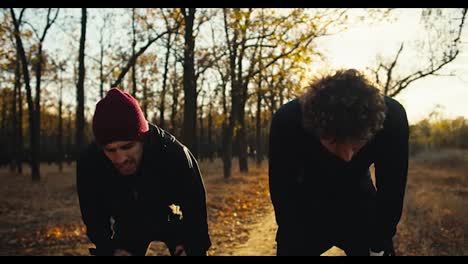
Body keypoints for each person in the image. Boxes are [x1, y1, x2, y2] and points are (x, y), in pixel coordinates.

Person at [268, 69, 409, 256]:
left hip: (360, 200)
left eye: (356, 146)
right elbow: (282, 190)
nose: (347, 156)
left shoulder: (392, 120)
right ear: (315, 131)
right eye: (335, 144)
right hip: (305, 202)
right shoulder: (288, 121)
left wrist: (379, 242)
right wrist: (292, 235)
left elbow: (392, 189)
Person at [76, 87, 211, 256]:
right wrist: (109, 249)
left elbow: (194, 205)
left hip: (171, 216)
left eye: (127, 147)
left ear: (143, 139)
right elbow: (93, 215)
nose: (120, 158)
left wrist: (193, 245)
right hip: (127, 221)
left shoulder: (173, 154)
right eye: (110, 150)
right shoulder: (90, 162)